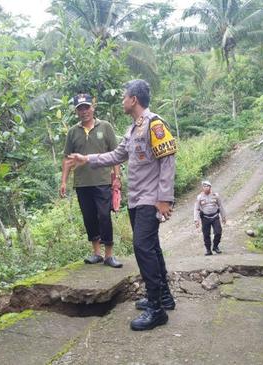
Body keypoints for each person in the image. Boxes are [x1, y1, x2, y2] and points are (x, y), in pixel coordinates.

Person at [67, 79, 176, 331]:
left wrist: (164, 199)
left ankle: (157, 310)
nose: (122, 100)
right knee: (152, 247)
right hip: (136, 199)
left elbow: (168, 162)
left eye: (124, 96)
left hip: (151, 199)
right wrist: (88, 158)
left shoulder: (155, 124)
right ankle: (163, 297)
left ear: (133, 100)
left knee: (142, 248)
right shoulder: (133, 129)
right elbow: (117, 155)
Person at [60, 93, 123, 268]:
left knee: (104, 216)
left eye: (86, 107)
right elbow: (67, 159)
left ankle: (109, 254)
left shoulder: (106, 127)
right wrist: (64, 181)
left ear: (92, 108)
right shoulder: (73, 132)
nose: (84, 111)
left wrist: (116, 177)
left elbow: (115, 154)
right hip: (81, 183)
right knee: (89, 218)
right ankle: (96, 253)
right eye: (80, 108)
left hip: (103, 181)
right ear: (76, 111)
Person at [193, 180, 226, 255]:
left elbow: (220, 206)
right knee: (206, 234)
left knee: (218, 232)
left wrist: (223, 216)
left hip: (215, 216)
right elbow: (196, 209)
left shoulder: (216, 195)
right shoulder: (199, 197)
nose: (206, 187)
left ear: (210, 187)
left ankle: (215, 246)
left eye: (207, 186)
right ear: (202, 188)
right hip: (205, 218)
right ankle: (208, 250)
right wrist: (196, 220)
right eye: (204, 186)